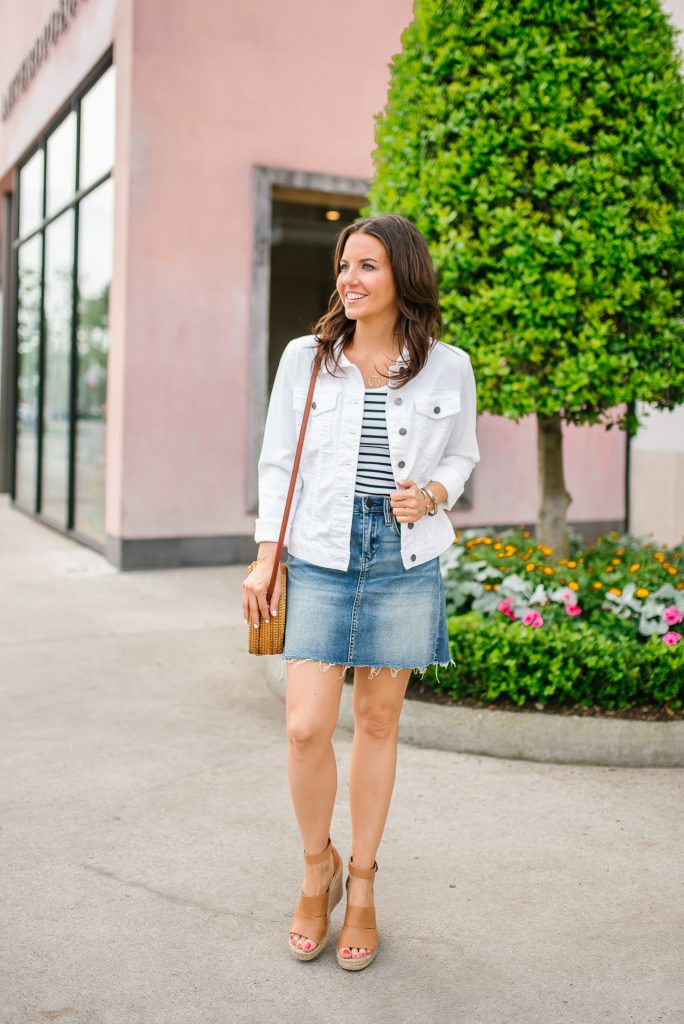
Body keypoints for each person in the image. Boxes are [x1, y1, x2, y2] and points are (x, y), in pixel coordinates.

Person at [242, 213, 480, 970]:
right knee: (307, 727)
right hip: (317, 549)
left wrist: (434, 494)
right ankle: (321, 866)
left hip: (401, 557)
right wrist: (264, 557)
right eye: (346, 265)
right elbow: (279, 460)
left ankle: (366, 885)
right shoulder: (306, 360)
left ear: (402, 276)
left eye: (368, 266)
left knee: (377, 724)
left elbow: (465, 455)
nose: (349, 278)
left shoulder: (448, 366)